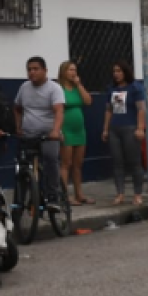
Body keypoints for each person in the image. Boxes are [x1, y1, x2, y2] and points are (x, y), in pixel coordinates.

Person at [14, 57, 65, 206]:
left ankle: (53, 196)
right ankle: (20, 200)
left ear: (45, 71)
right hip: (28, 134)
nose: (32, 72)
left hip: (48, 135)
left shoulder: (54, 88)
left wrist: (55, 131)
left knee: (50, 159)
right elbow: (17, 108)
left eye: (36, 69)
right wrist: (18, 126)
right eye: (29, 69)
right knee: (22, 166)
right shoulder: (24, 87)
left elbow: (59, 111)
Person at [102, 60, 145, 207]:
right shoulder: (111, 89)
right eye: (114, 71)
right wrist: (106, 129)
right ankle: (120, 193)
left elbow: (140, 109)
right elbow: (109, 110)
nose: (116, 74)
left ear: (126, 72)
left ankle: (137, 194)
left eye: (119, 71)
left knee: (134, 163)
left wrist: (140, 128)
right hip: (115, 129)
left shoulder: (135, 88)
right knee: (117, 163)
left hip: (130, 128)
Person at [57, 61, 94, 206]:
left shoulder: (77, 88)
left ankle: (79, 194)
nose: (73, 73)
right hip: (66, 129)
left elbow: (88, 101)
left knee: (78, 164)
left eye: (75, 70)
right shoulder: (59, 88)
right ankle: (64, 195)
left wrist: (79, 85)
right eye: (70, 70)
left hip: (80, 130)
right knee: (66, 163)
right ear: (63, 72)